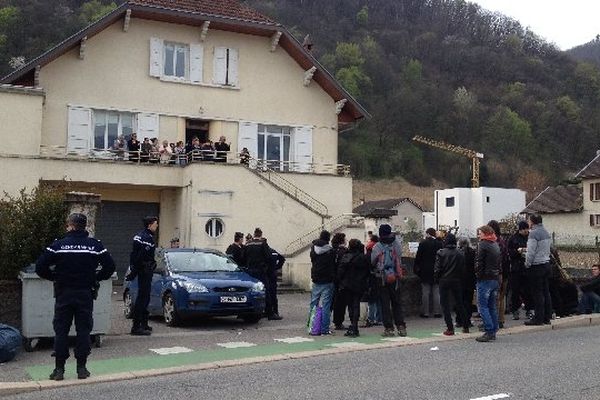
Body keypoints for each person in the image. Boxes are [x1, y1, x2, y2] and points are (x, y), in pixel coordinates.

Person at [35, 213, 115, 380]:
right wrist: (95, 278)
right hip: (85, 293)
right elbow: (110, 267)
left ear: (70, 225)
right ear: (84, 226)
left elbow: (40, 267)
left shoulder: (58, 245)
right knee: (84, 331)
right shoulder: (95, 245)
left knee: (61, 331)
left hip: (64, 293)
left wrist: (55, 277)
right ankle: (82, 369)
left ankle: (59, 370)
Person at [371, 224, 407, 337]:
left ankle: (389, 329)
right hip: (395, 278)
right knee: (397, 303)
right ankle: (401, 327)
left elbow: (373, 261)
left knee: (385, 304)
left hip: (382, 278)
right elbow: (400, 256)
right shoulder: (396, 243)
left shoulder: (377, 246)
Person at [128, 216, 159, 336]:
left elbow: (133, 255)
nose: (157, 226)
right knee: (143, 298)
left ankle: (144, 324)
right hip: (144, 270)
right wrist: (136, 270)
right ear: (150, 225)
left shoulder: (141, 236)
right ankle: (136, 327)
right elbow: (140, 256)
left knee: (145, 297)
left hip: (143, 269)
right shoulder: (146, 238)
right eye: (155, 224)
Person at [434, 233, 469, 336]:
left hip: (444, 280)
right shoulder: (460, 253)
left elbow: (437, 269)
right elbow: (463, 269)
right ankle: (466, 325)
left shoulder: (441, 253)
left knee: (445, 305)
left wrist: (437, 279)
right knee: (460, 303)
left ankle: (450, 328)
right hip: (456, 280)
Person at [337, 239, 370, 337]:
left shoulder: (346, 257)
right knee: (356, 305)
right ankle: (354, 325)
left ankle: (353, 325)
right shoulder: (363, 258)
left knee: (351, 305)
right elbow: (368, 271)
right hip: (359, 284)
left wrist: (340, 282)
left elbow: (340, 272)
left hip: (347, 284)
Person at [524, 213, 553, 326]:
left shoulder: (533, 234)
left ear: (532, 222)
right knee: (546, 292)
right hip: (546, 264)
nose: (528, 222)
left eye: (529, 220)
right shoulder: (546, 232)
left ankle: (538, 318)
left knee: (537, 293)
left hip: (536, 266)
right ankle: (547, 317)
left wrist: (527, 263)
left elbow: (531, 252)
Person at [474, 225, 501, 342]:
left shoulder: (482, 245)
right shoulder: (495, 244)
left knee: (483, 306)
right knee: (492, 306)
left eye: (479, 233)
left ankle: (489, 330)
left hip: (485, 279)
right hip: (494, 278)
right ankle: (494, 329)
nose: (478, 235)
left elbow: (479, 263)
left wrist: (478, 276)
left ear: (484, 233)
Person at [309, 230, 336, 335]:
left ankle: (312, 326)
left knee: (313, 304)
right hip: (328, 280)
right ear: (328, 239)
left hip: (316, 278)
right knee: (326, 305)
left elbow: (313, 260)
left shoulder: (313, 249)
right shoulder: (331, 251)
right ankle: (324, 329)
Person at [244, 228, 276, 319]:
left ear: (254, 235)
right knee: (266, 290)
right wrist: (266, 267)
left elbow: (243, 256)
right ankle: (269, 313)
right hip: (260, 271)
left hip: (250, 270)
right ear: (261, 235)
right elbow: (269, 257)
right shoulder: (262, 244)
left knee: (251, 290)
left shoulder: (248, 244)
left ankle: (250, 311)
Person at [414, 228, 443, 318]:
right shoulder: (439, 244)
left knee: (425, 292)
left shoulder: (423, 243)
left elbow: (418, 258)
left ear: (427, 234)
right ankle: (437, 312)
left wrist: (416, 269)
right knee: (436, 292)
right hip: (436, 270)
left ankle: (425, 312)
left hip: (425, 270)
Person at [488, 220, 510, 328]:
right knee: (502, 296)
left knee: (494, 298)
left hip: (496, 273)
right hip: (505, 272)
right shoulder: (502, 241)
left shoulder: (493, 242)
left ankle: (494, 320)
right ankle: (501, 319)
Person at [507, 221, 531, 320]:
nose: (527, 231)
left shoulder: (530, 237)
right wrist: (518, 251)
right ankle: (515, 310)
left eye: (527, 229)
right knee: (515, 290)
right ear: (520, 229)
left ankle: (529, 309)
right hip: (516, 268)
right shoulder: (513, 238)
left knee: (527, 290)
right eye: (525, 229)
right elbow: (509, 252)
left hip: (526, 267)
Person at [456, 237, 476, 329]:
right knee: (468, 301)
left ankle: (459, 320)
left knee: (459, 301)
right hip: (470, 280)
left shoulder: (457, 253)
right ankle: (467, 320)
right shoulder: (473, 253)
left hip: (459, 280)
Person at [331, 232, 348, 330]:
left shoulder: (331, 250)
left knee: (331, 301)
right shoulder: (344, 252)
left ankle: (324, 322)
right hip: (342, 280)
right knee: (340, 302)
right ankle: (338, 322)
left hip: (332, 278)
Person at [365, 234, 382, 327]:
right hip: (380, 276)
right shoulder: (381, 248)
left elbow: (368, 263)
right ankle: (379, 318)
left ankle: (371, 318)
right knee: (379, 298)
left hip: (371, 276)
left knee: (371, 299)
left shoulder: (369, 249)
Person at [268, 246, 285, 320]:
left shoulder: (266, 252)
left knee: (269, 294)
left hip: (267, 274)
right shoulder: (273, 251)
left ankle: (270, 312)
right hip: (273, 274)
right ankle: (275, 311)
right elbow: (282, 259)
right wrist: (277, 267)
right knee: (273, 295)